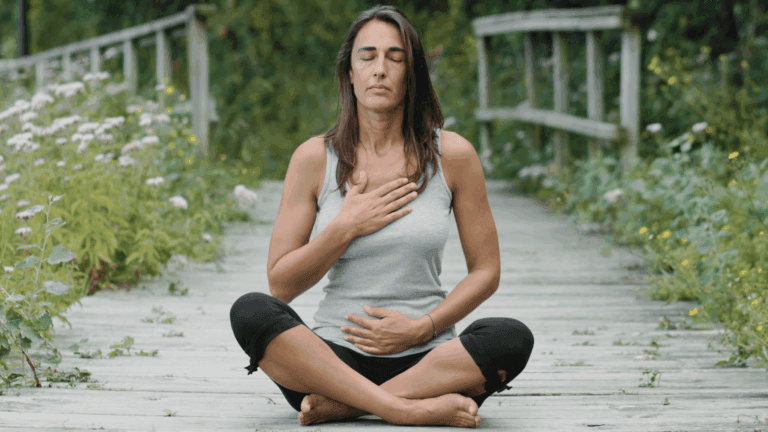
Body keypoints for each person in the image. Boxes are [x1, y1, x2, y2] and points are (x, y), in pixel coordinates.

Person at [229, 5, 534, 428]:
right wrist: (345, 227)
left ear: (413, 73)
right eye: (367, 56)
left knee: (511, 337)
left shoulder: (455, 156)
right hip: (332, 360)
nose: (380, 69)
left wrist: (422, 328)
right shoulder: (314, 158)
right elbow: (280, 285)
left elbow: (487, 271)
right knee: (250, 311)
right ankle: (404, 408)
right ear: (349, 73)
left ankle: (348, 406)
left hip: (428, 360)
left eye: (395, 57)